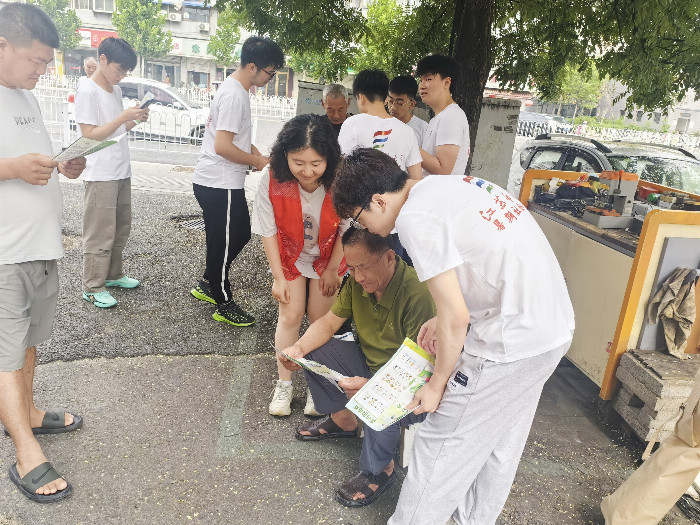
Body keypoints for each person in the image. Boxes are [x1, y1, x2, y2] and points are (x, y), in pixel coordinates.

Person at [331, 148, 575, 525]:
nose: (363, 228)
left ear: (378, 201)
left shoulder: (415, 218)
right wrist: (441, 317)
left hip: (507, 342)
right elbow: (476, 273)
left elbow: (456, 315)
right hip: (549, 331)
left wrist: (438, 383)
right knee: (497, 446)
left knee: (439, 443)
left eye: (358, 217)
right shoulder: (448, 187)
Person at [279, 228, 436, 507]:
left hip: (407, 381)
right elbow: (328, 323)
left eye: (363, 267)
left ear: (389, 257)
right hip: (369, 364)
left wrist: (374, 387)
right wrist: (298, 350)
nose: (358, 276)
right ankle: (345, 420)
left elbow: (421, 370)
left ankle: (380, 470)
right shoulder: (357, 282)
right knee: (315, 348)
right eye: (351, 267)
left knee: (378, 399)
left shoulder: (418, 293)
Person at [0, 3, 87, 502]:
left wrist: (62, 166)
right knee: (7, 352)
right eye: (35, 60)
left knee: (29, 341)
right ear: (4, 46)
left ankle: (26, 413)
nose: (42, 70)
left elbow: (32, 160)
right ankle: (24, 449)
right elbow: (11, 164)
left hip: (39, 245)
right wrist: (12, 167)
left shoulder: (26, 95)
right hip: (6, 253)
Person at [252, 114, 348, 417]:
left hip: (330, 256)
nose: (307, 171)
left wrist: (333, 270)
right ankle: (284, 384)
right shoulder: (272, 177)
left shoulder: (342, 178)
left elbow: (347, 227)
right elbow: (267, 229)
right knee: (290, 314)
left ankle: (317, 385)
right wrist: (278, 278)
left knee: (321, 319)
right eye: (298, 162)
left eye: (316, 164)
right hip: (290, 255)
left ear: (329, 160)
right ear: (285, 156)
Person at [189, 36, 284, 326]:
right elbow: (222, 146)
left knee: (240, 233)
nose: (271, 78)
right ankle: (222, 299)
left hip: (223, 182)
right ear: (252, 67)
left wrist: (259, 155)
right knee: (223, 241)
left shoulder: (238, 90)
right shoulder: (233, 95)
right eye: (270, 72)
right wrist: (255, 162)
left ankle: (209, 279)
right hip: (219, 183)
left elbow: (238, 139)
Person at [74, 37, 149, 308]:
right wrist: (121, 118)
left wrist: (133, 120)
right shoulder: (87, 90)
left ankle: (114, 275)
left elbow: (114, 132)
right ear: (102, 59)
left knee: (120, 227)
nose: (122, 76)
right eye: (119, 69)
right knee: (99, 232)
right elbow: (90, 135)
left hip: (120, 168)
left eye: (126, 71)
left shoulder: (114, 91)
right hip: (100, 172)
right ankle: (93, 286)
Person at [338, 69, 422, 181]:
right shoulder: (407, 131)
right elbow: (417, 179)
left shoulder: (351, 124)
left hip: (362, 197)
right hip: (396, 197)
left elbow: (344, 170)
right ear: (385, 98)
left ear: (361, 97)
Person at [416, 54, 471, 176]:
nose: (422, 85)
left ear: (446, 83)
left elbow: (443, 169)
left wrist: (409, 145)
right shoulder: (439, 118)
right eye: (421, 80)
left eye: (428, 79)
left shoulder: (450, 116)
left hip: (441, 193)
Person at [387, 75, 428, 146]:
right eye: (390, 101)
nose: (393, 107)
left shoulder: (422, 128)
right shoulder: (383, 125)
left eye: (400, 103)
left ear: (412, 104)